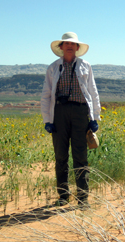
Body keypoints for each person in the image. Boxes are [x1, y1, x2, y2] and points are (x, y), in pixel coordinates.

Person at [41, 32, 101, 207]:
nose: (69, 46)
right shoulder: (53, 68)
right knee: (60, 155)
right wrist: (48, 120)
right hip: (59, 113)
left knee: (80, 155)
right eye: (66, 43)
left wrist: (94, 117)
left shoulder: (85, 66)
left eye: (72, 44)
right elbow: (45, 95)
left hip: (80, 113)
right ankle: (63, 196)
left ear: (77, 47)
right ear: (61, 47)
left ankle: (82, 199)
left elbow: (93, 92)